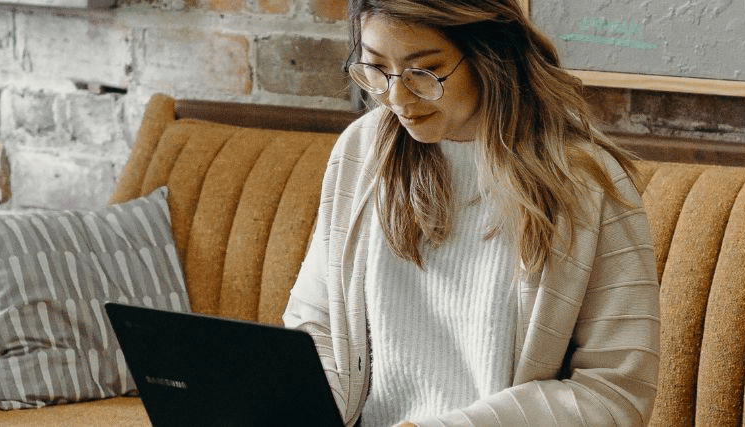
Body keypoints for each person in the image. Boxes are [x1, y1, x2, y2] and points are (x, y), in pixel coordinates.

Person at [281, 0, 661, 425]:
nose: (396, 97)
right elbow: (317, 324)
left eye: (423, 72)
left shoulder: (585, 184)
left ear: (490, 54)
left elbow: (615, 393)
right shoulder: (361, 153)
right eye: (375, 68)